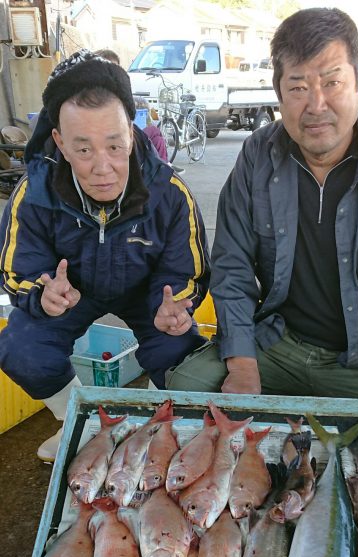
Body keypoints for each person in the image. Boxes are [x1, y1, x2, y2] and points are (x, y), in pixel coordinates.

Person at [167, 7, 358, 467]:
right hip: (282, 344)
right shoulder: (258, 154)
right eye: (297, 87)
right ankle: (331, 437)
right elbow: (234, 266)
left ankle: (294, 433)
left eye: (332, 81)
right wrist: (242, 364)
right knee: (187, 391)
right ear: (278, 93)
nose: (315, 104)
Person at [0, 50, 209, 461]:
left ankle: (153, 425)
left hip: (146, 292)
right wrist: (42, 294)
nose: (102, 167)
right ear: (59, 141)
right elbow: (16, 269)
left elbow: (187, 271)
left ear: (131, 134)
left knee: (180, 350)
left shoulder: (170, 192)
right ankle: (79, 422)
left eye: (114, 146)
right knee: (19, 347)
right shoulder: (33, 193)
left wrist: (179, 304)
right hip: (72, 293)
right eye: (83, 150)